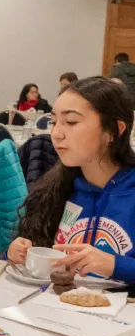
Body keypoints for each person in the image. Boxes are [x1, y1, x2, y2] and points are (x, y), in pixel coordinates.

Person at [7, 77, 135, 283]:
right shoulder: (56, 189)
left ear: (114, 131)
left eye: (71, 122)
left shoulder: (130, 191)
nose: (56, 134)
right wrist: (17, 254)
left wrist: (115, 265)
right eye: (54, 122)